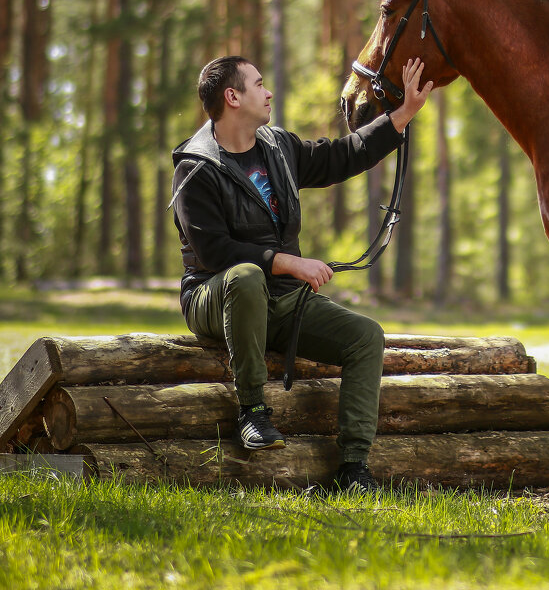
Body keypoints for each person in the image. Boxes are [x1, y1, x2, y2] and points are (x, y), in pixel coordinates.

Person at [170, 54, 432, 493]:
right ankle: (252, 412)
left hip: (282, 298)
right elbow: (215, 251)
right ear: (232, 97)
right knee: (246, 278)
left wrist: (402, 114)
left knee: (366, 336)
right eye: (258, 84)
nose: (268, 91)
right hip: (212, 295)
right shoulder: (195, 167)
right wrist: (290, 262)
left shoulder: (278, 147)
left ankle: (353, 469)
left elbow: (340, 157)